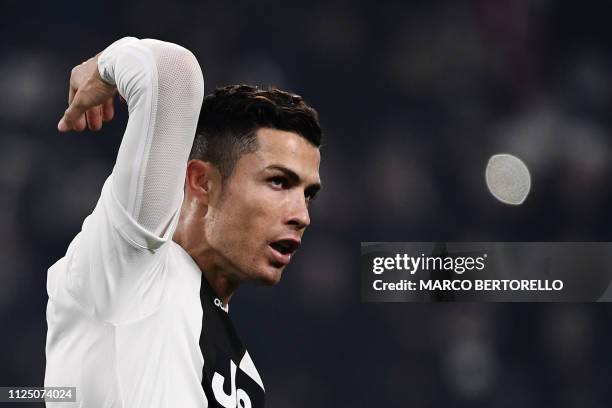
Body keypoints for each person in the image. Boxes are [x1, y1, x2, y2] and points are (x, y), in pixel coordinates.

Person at [45, 37, 322, 408]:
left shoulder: (241, 371)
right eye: (278, 182)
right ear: (201, 182)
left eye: (308, 194)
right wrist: (102, 66)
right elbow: (170, 73)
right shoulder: (133, 266)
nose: (302, 215)